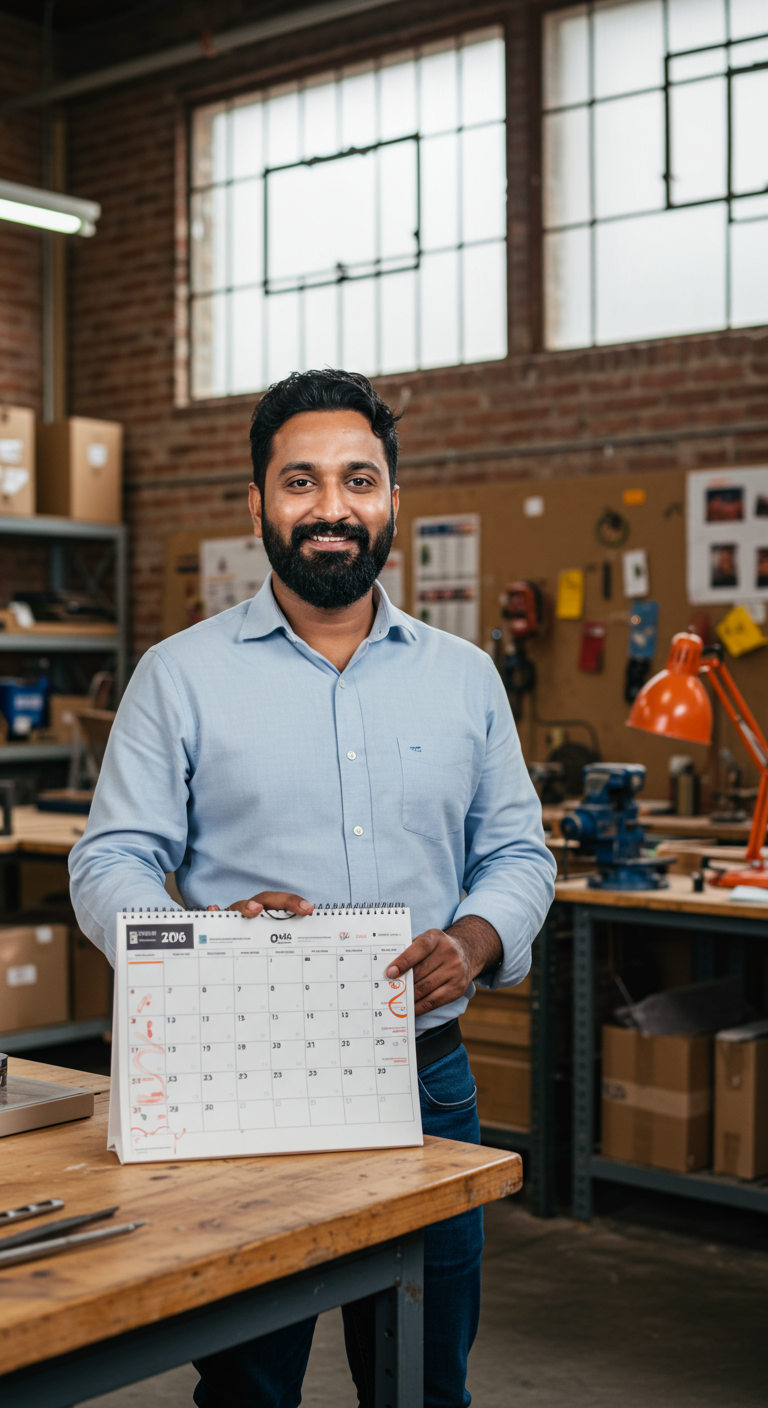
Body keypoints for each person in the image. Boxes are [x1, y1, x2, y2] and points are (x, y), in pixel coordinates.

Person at [69, 368, 556, 1408]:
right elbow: (107, 860)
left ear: (392, 500)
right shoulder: (180, 675)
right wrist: (199, 943)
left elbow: (520, 853)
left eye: (358, 480)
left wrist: (472, 940)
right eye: (300, 480)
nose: (331, 506)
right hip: (240, 1082)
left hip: (423, 1078)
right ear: (257, 503)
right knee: (249, 1388)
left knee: (425, 1384)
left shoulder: (465, 677)